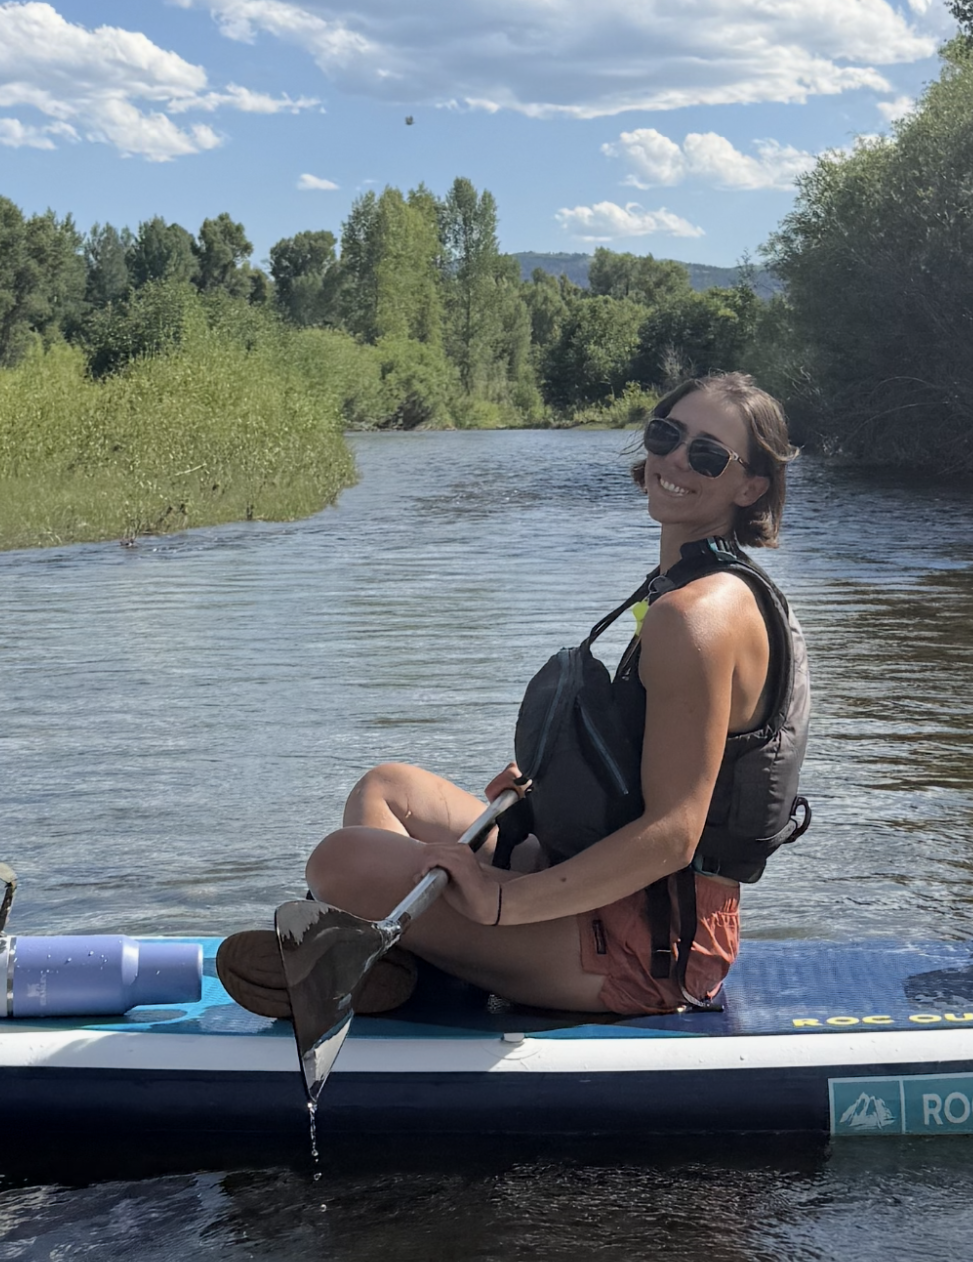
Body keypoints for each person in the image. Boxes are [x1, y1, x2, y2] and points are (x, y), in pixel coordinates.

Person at [218, 372, 807, 1020]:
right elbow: (651, 748)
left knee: (341, 861)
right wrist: (554, 783)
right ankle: (404, 961)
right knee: (387, 789)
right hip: (596, 882)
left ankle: (410, 960)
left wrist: (500, 903)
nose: (673, 459)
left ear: (749, 487)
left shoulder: (695, 616)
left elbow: (672, 834)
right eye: (666, 434)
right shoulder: (683, 588)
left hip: (658, 947)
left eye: (706, 454)